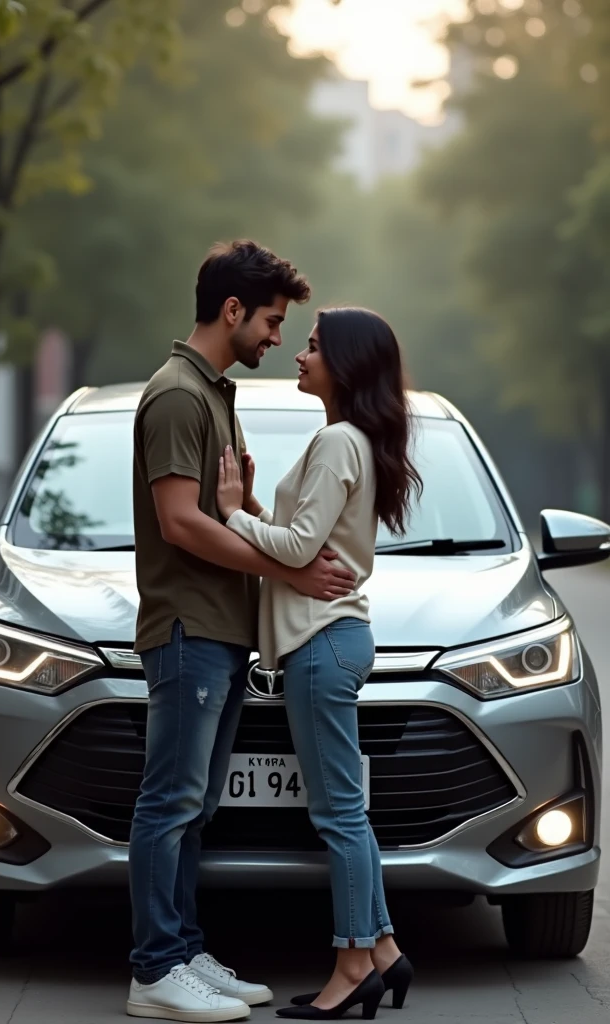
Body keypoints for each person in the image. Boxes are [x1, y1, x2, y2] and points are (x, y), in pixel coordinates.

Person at [128, 242, 358, 1022]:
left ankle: (184, 950)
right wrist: (287, 572)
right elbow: (179, 521)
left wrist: (255, 523)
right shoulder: (177, 396)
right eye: (269, 322)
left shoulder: (213, 393)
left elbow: (221, 514)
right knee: (171, 802)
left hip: (222, 631)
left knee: (193, 807)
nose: (273, 338)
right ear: (232, 311)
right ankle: (155, 967)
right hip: (189, 626)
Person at [216, 307, 422, 1020]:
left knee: (336, 816)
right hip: (334, 638)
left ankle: (351, 964)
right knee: (348, 814)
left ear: (346, 362)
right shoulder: (348, 439)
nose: (298, 354)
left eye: (311, 346)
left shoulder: (338, 440)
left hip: (320, 641)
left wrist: (231, 513)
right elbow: (310, 539)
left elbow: (300, 548)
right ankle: (385, 951)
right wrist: (250, 503)